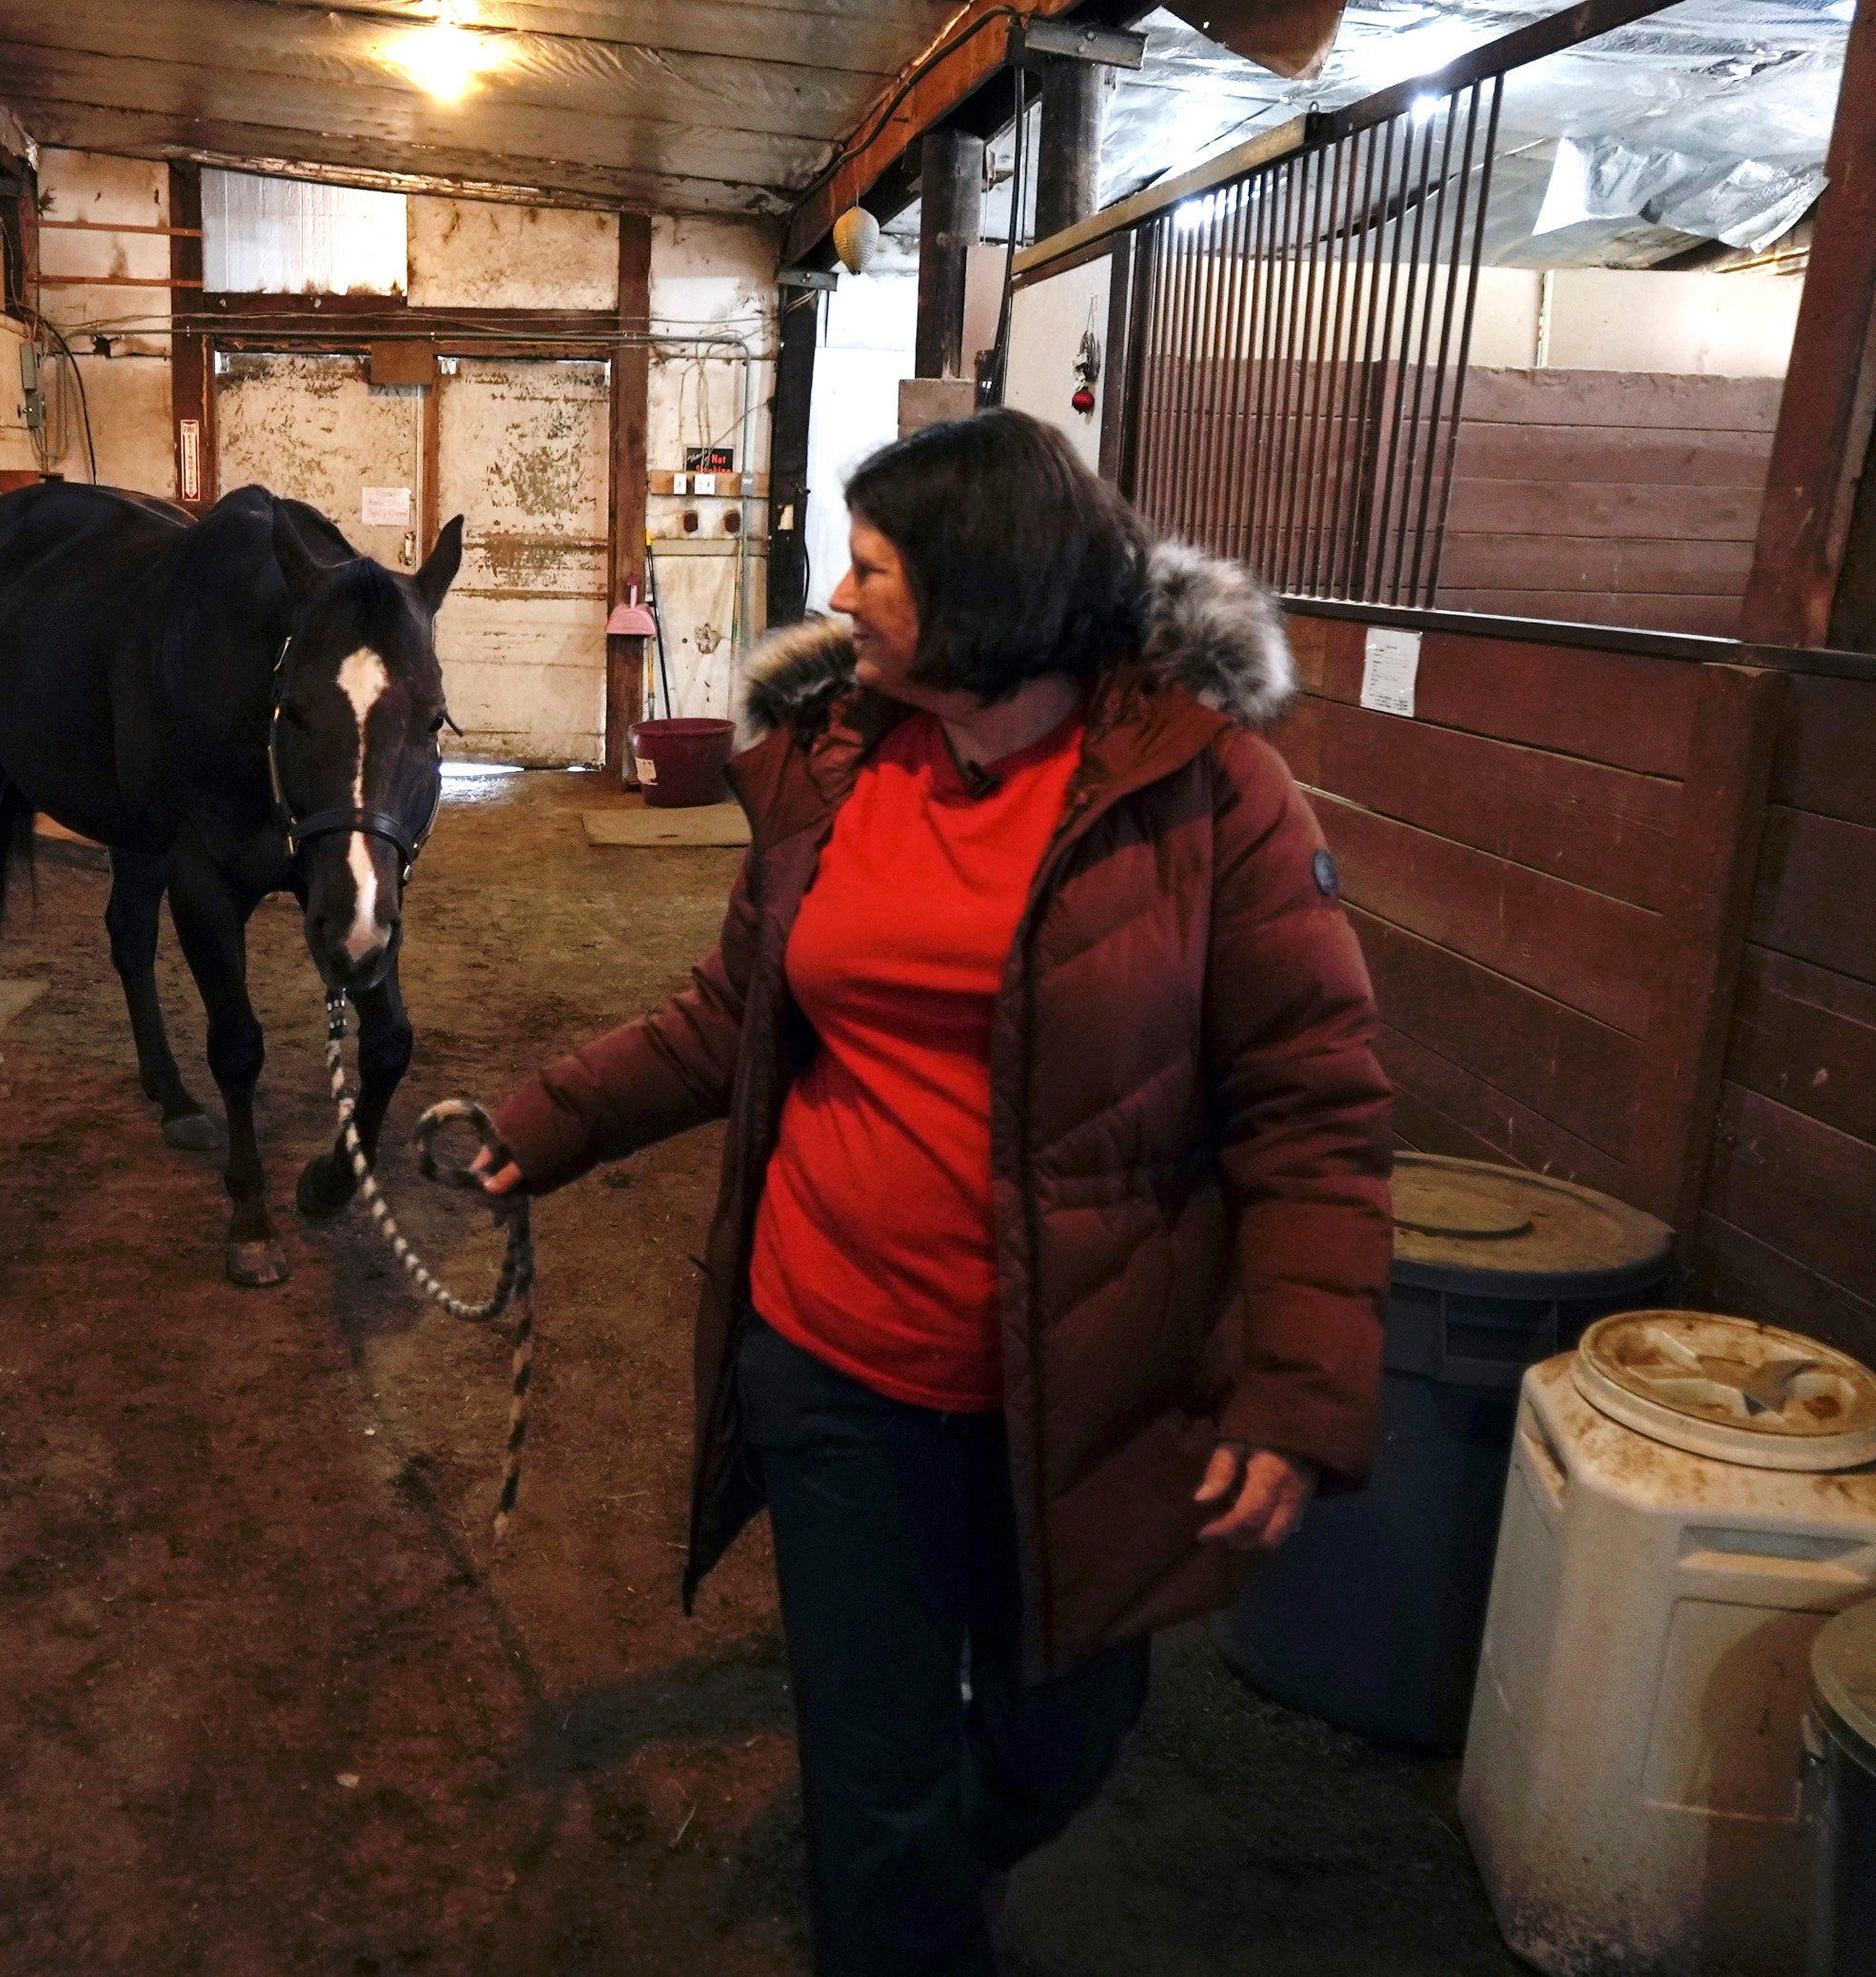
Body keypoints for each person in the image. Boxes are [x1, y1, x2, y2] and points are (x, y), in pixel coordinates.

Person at [481, 408, 1392, 1975]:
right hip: (833, 1358)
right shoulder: (832, 771)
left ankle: (910, 1894)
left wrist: (1298, 1391)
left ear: (981, 591)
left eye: (875, 564)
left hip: (1090, 1380)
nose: (837, 592)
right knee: (875, 1774)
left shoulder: (1210, 797)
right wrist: (543, 1126)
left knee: (1063, 1738)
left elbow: (1309, 1112)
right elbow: (731, 1014)